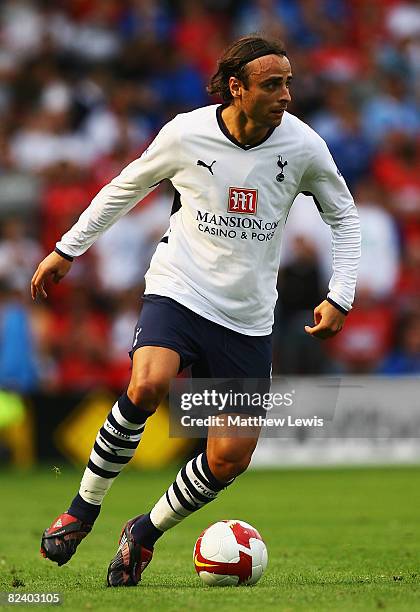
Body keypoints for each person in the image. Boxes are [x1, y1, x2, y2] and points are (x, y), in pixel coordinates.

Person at [31, 35, 361, 587]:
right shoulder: (188, 133)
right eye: (272, 84)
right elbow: (126, 185)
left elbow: (345, 218)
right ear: (237, 87)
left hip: (248, 316)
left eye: (289, 82)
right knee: (148, 385)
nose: (286, 94)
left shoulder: (303, 147)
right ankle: (82, 509)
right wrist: (69, 247)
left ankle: (144, 531)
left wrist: (340, 294)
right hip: (180, 288)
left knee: (229, 458)